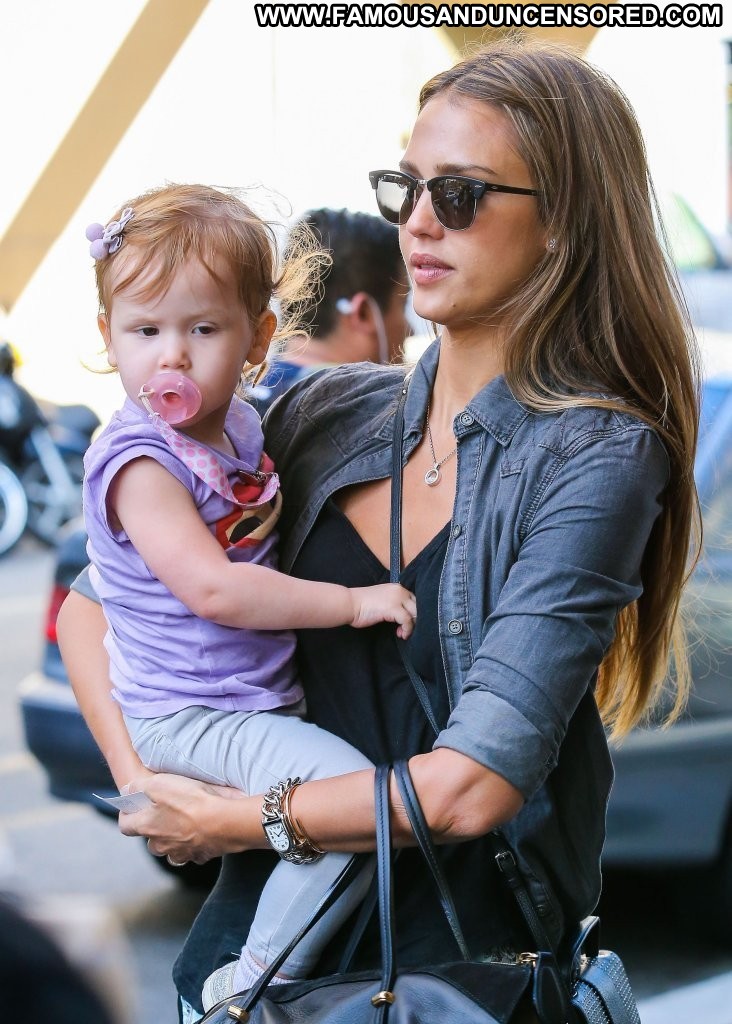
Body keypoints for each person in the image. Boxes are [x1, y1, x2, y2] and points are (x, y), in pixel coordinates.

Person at [58, 39, 700, 1024]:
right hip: (245, 986)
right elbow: (92, 608)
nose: (418, 222)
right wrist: (147, 783)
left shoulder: (596, 457)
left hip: (451, 987)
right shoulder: (318, 415)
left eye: (462, 194)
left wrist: (239, 818)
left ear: (563, 224)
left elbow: (470, 788)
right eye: (407, 187)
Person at [77, 183, 417, 1010]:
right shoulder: (142, 463)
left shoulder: (236, 425)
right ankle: (254, 981)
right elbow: (215, 589)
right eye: (146, 331)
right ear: (108, 337)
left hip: (234, 700)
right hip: (193, 714)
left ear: (259, 337)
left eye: (202, 330)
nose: (172, 358)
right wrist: (351, 603)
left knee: (327, 817)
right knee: (350, 805)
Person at [247, 207, 409, 417]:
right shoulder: (363, 414)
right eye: (403, 305)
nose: (410, 329)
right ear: (363, 313)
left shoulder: (235, 397)